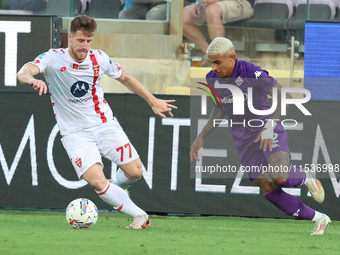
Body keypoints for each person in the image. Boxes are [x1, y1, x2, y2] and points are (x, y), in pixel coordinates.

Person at [17, 14, 177, 229]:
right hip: (74, 133)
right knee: (96, 180)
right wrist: (31, 79)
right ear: (70, 37)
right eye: (81, 40)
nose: (85, 46)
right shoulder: (53, 58)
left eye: (89, 41)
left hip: (104, 124)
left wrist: (152, 100)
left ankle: (117, 191)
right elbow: (24, 71)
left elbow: (126, 77)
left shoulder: (99, 58)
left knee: (136, 172)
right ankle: (139, 215)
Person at [190, 37, 331, 235]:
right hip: (243, 140)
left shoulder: (252, 73)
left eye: (217, 62)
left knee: (280, 176)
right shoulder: (212, 78)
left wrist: (269, 126)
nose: (213, 68)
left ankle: (306, 177)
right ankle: (320, 218)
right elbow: (219, 108)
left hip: (266, 129)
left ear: (232, 57)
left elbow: (285, 97)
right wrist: (201, 136)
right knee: (267, 185)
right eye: (211, 62)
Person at [183, 0, 254, 65]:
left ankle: (221, 57)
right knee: (182, 17)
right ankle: (209, 54)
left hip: (240, 2)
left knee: (212, 10)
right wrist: (198, 3)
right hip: (209, 3)